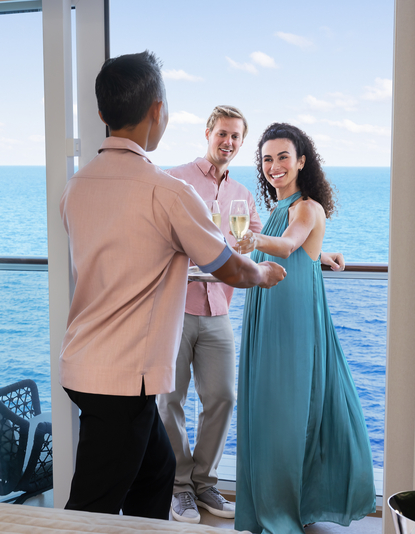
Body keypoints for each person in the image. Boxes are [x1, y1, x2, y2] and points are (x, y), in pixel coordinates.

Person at [58, 51, 286, 520]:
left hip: (83, 363)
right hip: (122, 378)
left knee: (157, 475)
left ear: (103, 113)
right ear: (158, 110)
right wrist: (263, 273)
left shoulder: (76, 185)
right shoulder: (167, 190)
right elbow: (229, 267)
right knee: (89, 511)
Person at [157, 106, 345, 524]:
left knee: (222, 397)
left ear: (241, 143)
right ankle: (179, 486)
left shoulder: (242, 194)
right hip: (177, 305)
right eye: (222, 133)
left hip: (219, 305)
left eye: (236, 137)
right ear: (208, 133)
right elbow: (160, 236)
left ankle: (204, 483)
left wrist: (318, 253)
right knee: (170, 400)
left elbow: (268, 241)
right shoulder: (175, 180)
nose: (228, 141)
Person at [233, 123, 376, 533]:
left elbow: (291, 244)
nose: (274, 166)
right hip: (269, 308)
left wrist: (251, 239)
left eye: (282, 157)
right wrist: (324, 253)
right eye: (266, 159)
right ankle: (276, 500)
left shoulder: (306, 206)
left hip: (291, 320)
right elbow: (300, 245)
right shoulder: (281, 208)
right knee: (268, 407)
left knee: (285, 411)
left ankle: (284, 509)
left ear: (300, 161)